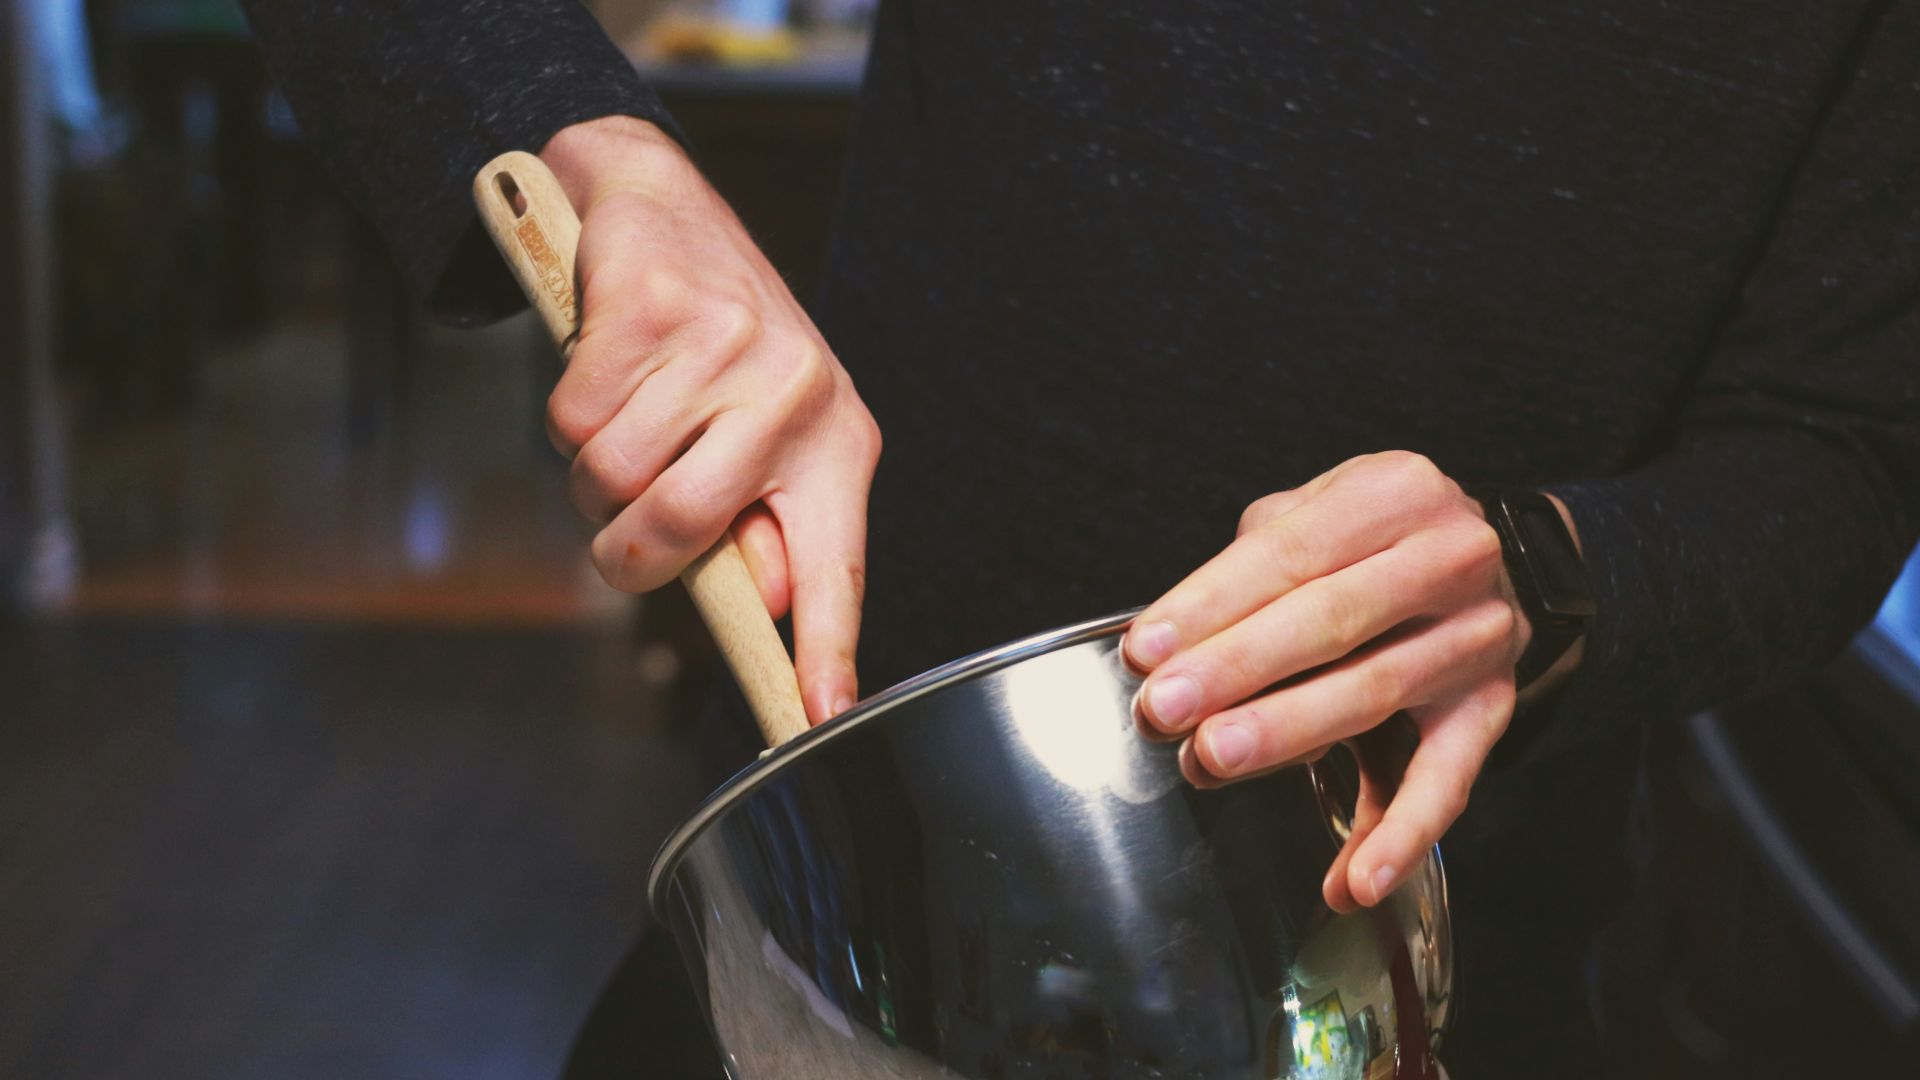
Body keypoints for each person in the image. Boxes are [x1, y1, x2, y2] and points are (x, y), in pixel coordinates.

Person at [240, 1, 1920, 1075]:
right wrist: (588, 139)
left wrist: (1555, 574)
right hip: (819, 959)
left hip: (1428, 990)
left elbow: (1843, 451)